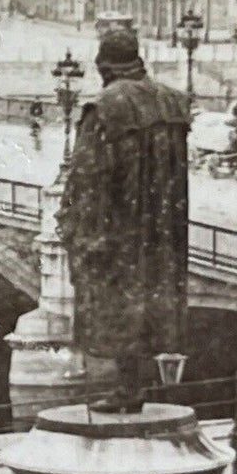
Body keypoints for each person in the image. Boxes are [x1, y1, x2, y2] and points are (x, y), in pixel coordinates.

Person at [57, 28, 190, 413]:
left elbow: (88, 175)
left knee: (115, 300)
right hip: (162, 228)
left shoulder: (105, 106)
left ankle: (128, 386)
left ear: (103, 64)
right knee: (152, 299)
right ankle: (138, 385)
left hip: (118, 229)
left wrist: (77, 225)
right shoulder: (172, 101)